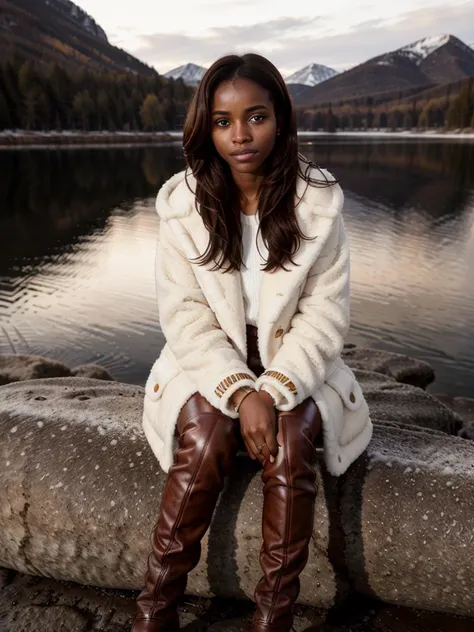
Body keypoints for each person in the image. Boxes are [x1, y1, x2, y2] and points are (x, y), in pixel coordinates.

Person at [133, 52, 372, 632]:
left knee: (291, 440)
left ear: (282, 118)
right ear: (206, 126)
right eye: (222, 120)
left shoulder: (318, 204)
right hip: (208, 359)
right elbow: (186, 317)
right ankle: (154, 610)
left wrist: (278, 386)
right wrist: (241, 394)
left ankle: (274, 617)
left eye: (256, 116)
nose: (240, 135)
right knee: (208, 432)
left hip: (296, 359)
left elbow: (323, 317)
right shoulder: (183, 206)